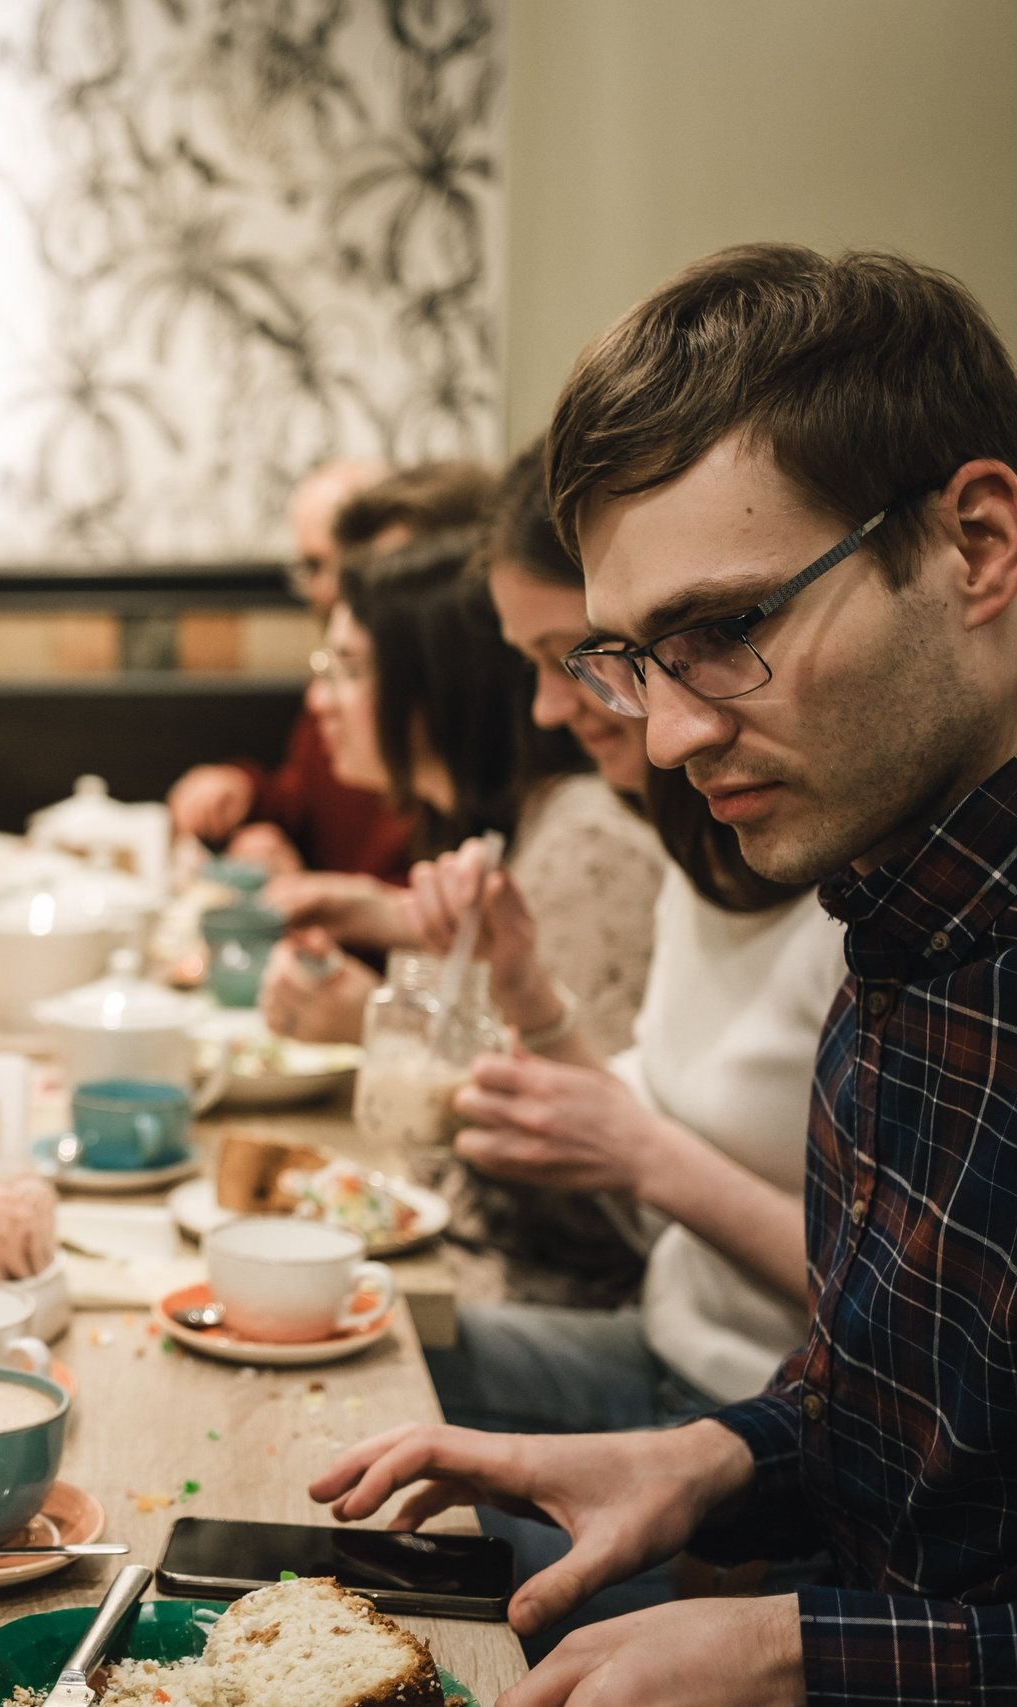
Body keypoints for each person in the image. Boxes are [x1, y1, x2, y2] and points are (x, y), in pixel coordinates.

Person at [313, 244, 1017, 1707]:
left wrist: (797, 1647)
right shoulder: (907, 890)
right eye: (627, 658)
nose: (662, 736)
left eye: (724, 633)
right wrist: (706, 1459)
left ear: (978, 542)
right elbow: (918, 1413)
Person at [403, 439, 848, 1655]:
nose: (578, 708)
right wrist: (526, 989)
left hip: (766, 1439)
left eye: (577, 663)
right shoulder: (708, 839)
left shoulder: (849, 890)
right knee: (348, 1361)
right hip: (660, 1361)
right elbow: (646, 1145)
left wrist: (644, 1157)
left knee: (395, 1572)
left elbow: (915, 1325)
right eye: (592, 662)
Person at [260, 527, 668, 1307]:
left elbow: (600, 1213)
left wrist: (379, 1029)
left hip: (546, 1300)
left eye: (346, 669)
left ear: (435, 686)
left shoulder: (584, 845)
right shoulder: (495, 836)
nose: (319, 701)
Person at [167, 460, 493, 887]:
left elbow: (447, 907)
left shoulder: (450, 709)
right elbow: (308, 799)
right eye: (312, 567)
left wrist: (317, 893)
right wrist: (242, 789)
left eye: (330, 564)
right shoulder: (345, 683)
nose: (330, 589)